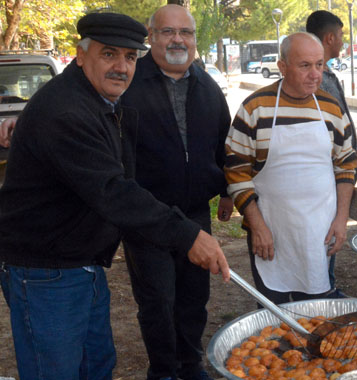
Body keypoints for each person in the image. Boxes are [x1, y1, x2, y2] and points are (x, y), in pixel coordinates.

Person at [0, 13, 229, 380]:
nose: (121, 67)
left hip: (84, 262)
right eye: (109, 54)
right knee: (56, 372)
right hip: (46, 270)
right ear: (80, 55)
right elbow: (112, 189)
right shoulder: (66, 110)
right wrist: (187, 234)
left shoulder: (99, 99)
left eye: (129, 57)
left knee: (97, 367)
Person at [118, 5, 232, 380]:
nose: (178, 40)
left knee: (193, 298)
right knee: (157, 300)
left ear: (195, 40)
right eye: (168, 32)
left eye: (186, 32)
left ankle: (190, 362)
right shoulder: (128, 83)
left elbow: (223, 143)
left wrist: (228, 190)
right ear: (151, 36)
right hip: (147, 216)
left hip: (195, 212)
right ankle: (164, 369)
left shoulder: (208, 86)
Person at [224, 32, 357, 304]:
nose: (315, 74)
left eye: (319, 65)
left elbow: (346, 165)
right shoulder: (255, 108)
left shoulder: (331, 107)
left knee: (317, 307)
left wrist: (341, 218)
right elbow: (236, 171)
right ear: (283, 66)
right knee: (275, 311)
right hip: (272, 230)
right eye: (305, 65)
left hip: (320, 230)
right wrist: (257, 225)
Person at [306, 9, 357, 295]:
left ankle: (326, 286)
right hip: (325, 175)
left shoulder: (328, 74)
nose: (342, 42)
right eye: (340, 36)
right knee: (326, 234)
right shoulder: (319, 80)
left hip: (337, 170)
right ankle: (324, 292)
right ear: (329, 37)